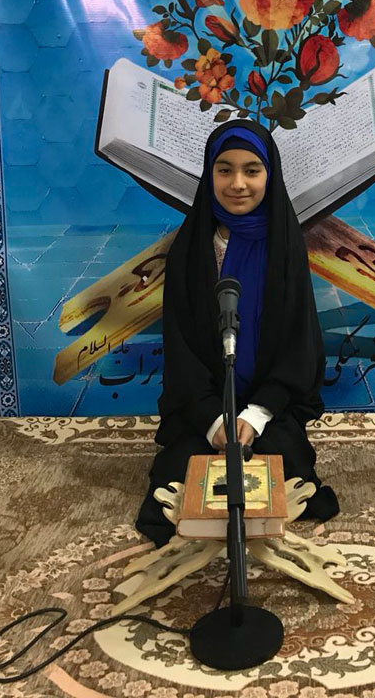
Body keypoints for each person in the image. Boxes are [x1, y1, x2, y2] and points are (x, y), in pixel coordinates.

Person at [136, 119, 339, 548]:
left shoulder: (285, 246)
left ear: (270, 175)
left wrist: (256, 414)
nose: (238, 184)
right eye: (224, 170)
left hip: (268, 407)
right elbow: (180, 347)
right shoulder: (190, 249)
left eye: (252, 170)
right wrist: (215, 421)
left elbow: (298, 342)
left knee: (287, 463)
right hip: (203, 408)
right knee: (177, 474)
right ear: (209, 174)